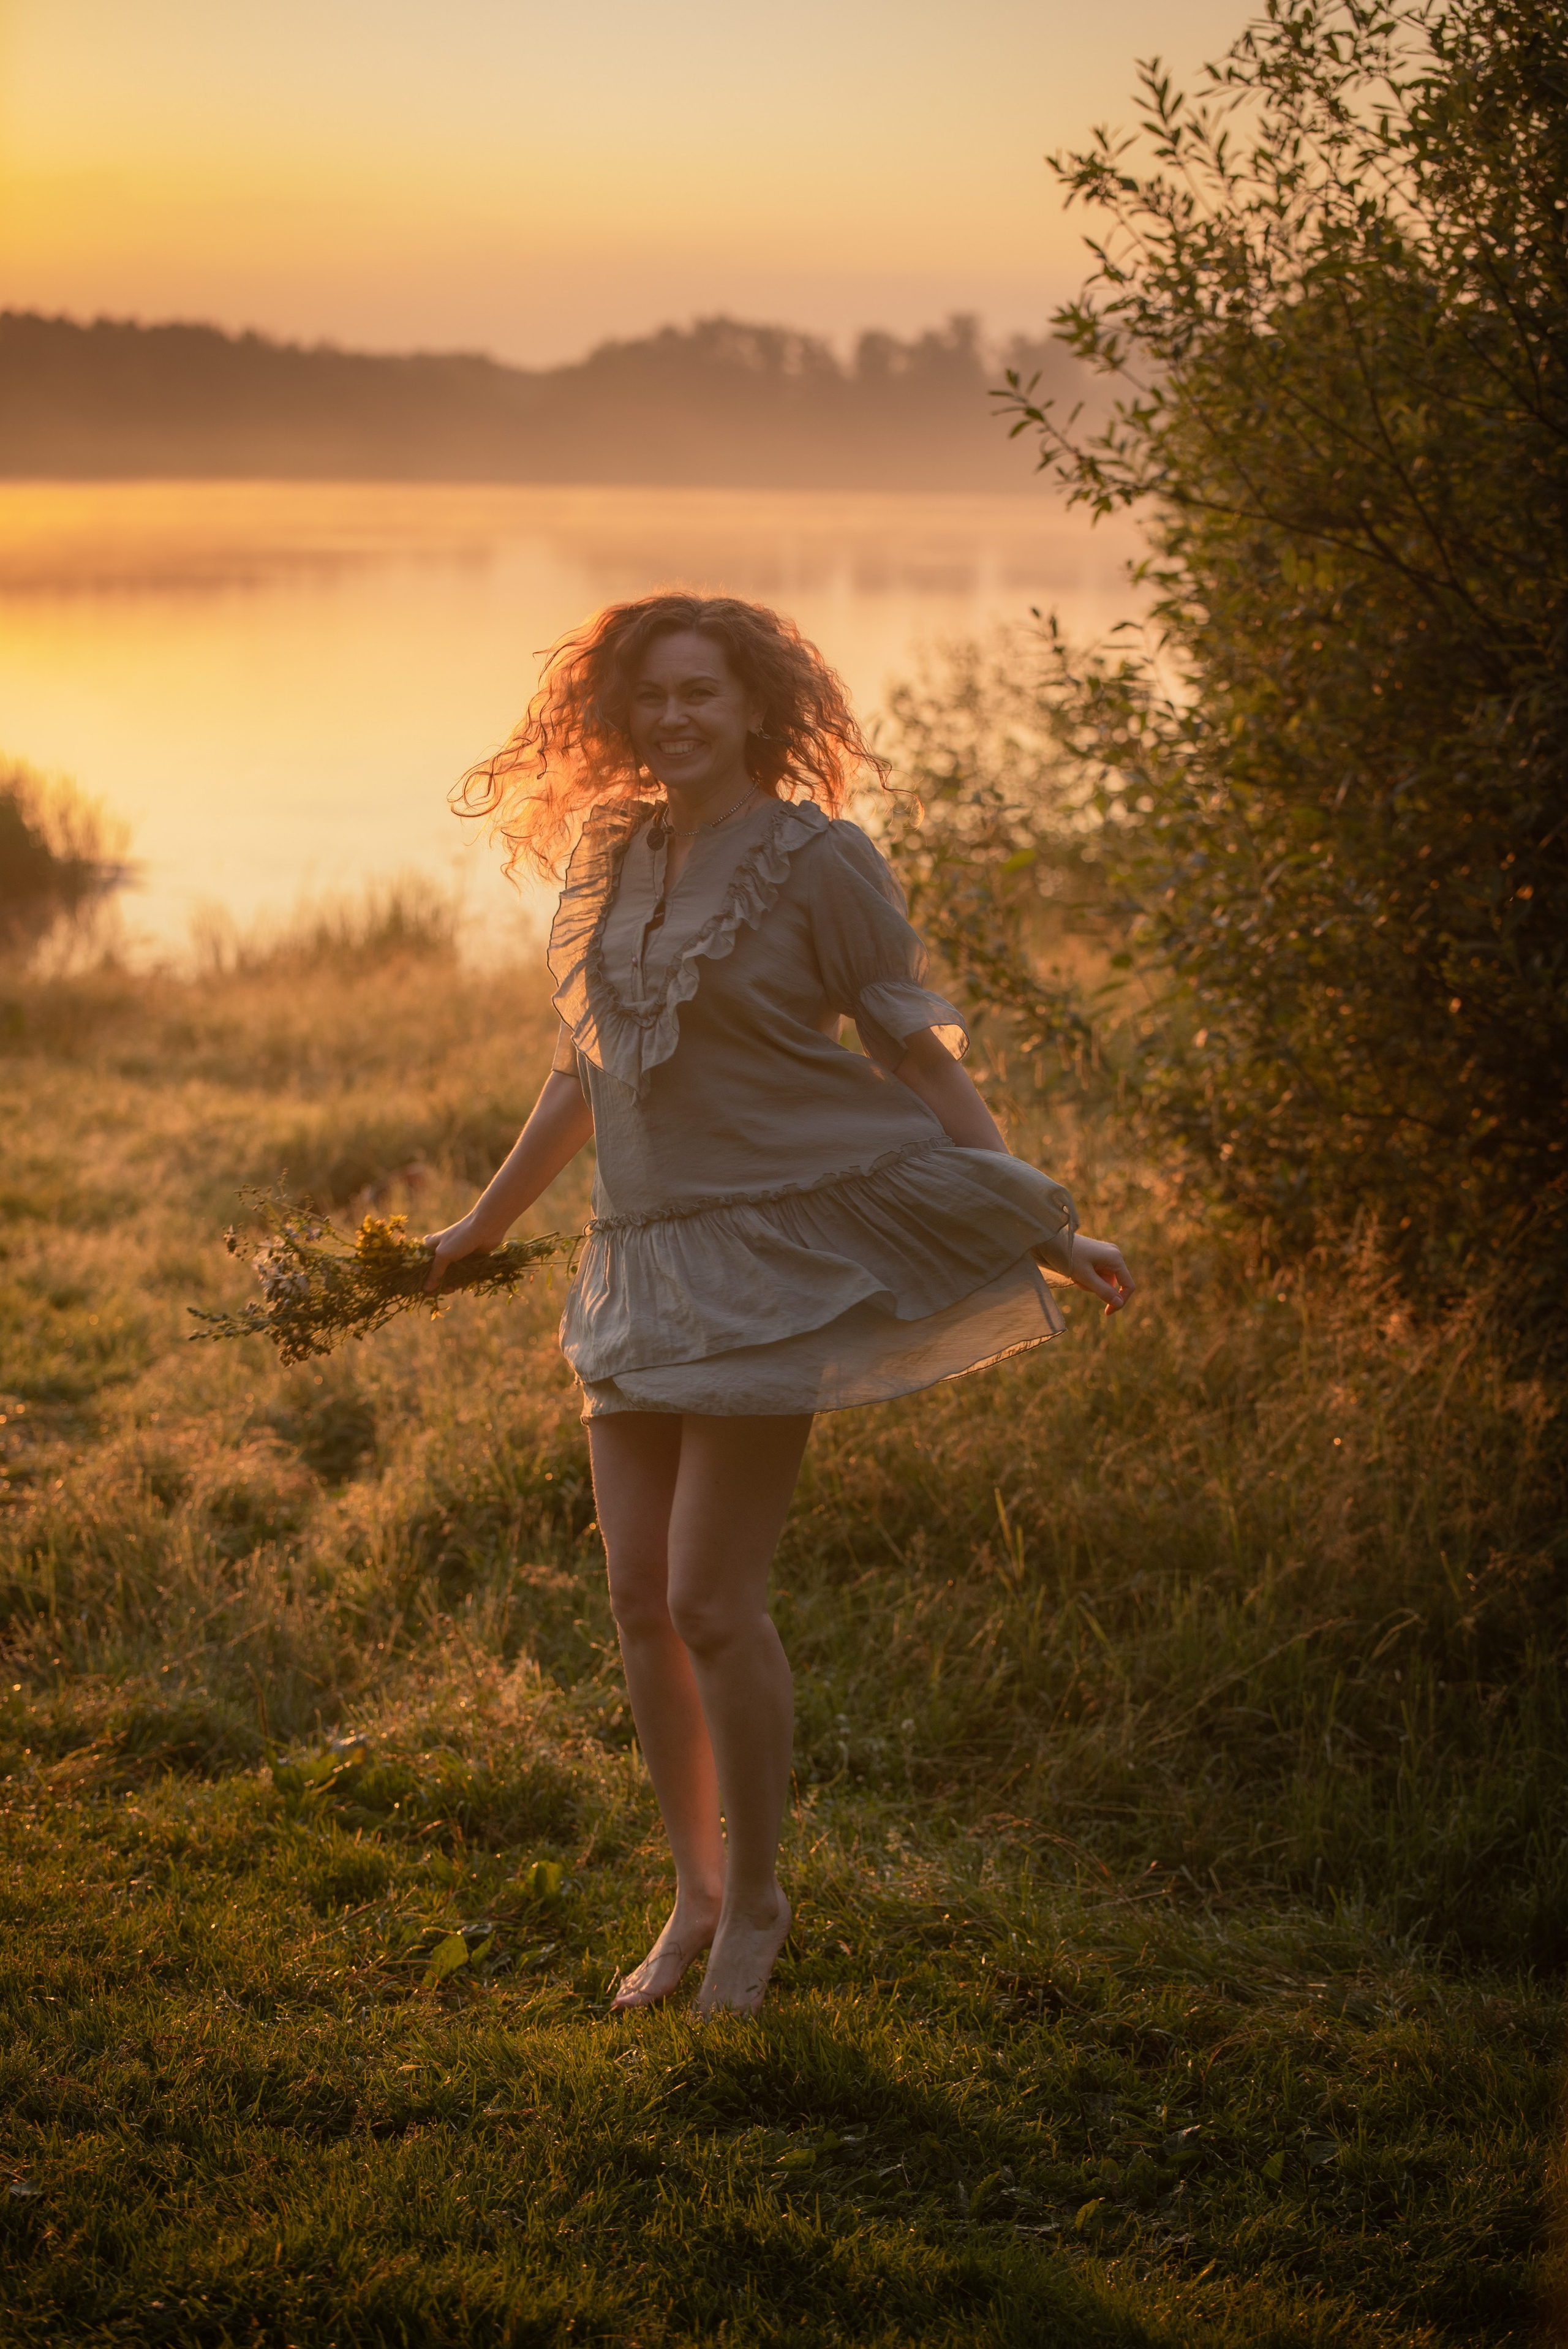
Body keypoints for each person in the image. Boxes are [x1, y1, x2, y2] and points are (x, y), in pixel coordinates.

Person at [423, 592, 1134, 2018]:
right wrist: (481, 1224)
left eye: (701, 694)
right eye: (651, 697)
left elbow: (916, 1061)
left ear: (756, 709)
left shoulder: (820, 861)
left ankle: (757, 1905)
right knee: (635, 1602)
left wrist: (1034, 1218)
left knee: (708, 1597)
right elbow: (585, 1068)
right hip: (635, 1259)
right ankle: (689, 1895)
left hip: (769, 1262)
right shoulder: (612, 852)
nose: (673, 718)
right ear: (620, 716)